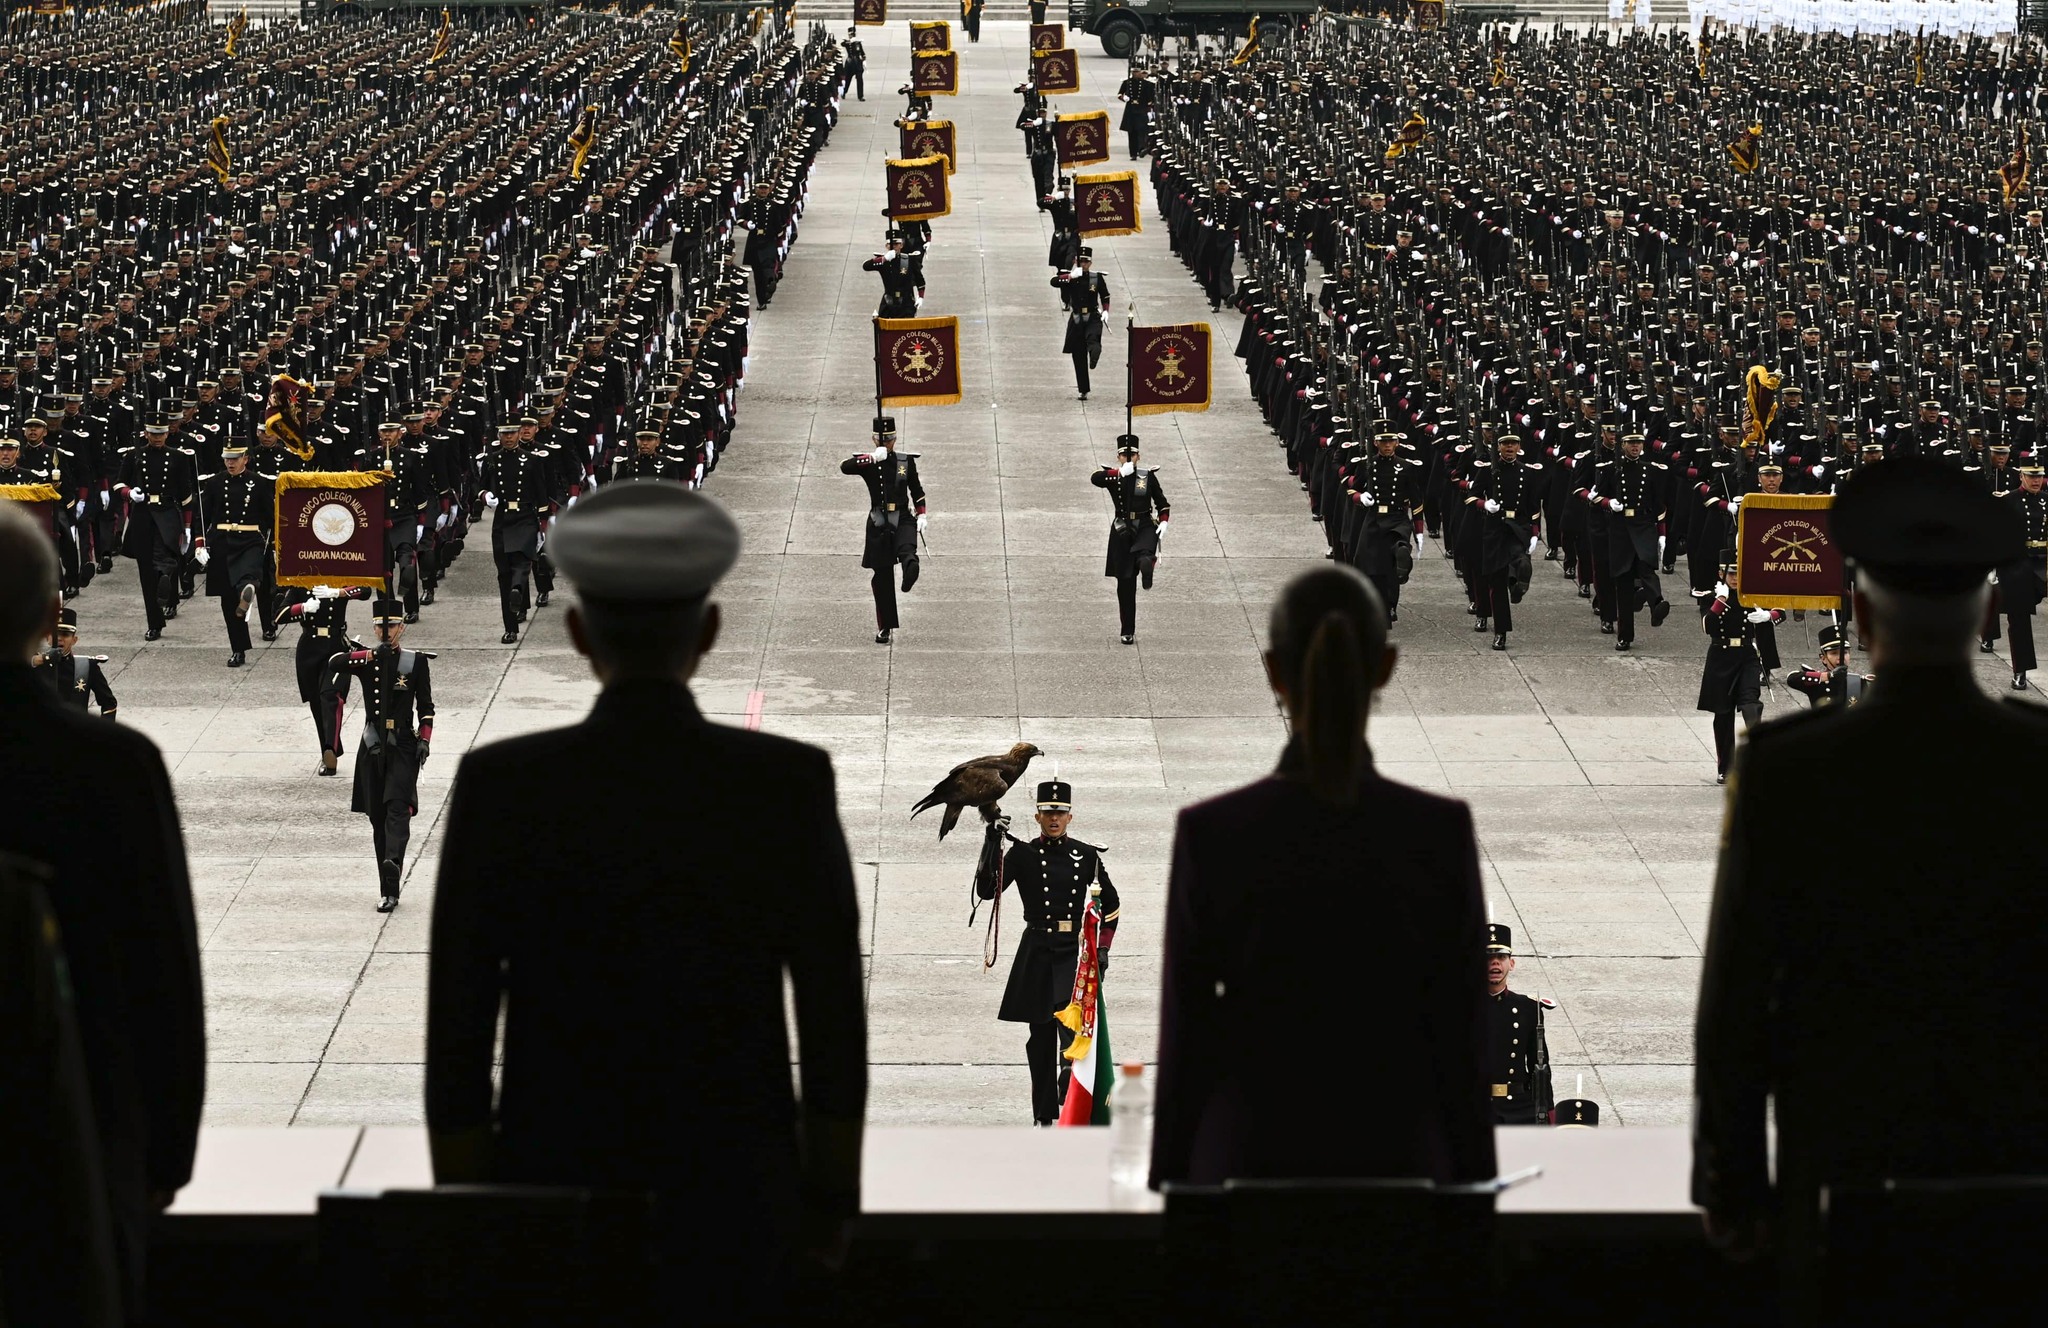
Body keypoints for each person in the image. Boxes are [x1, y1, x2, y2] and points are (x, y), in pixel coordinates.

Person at [427, 483, 865, 1320]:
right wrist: (831, 1199)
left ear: (578, 633)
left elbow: (459, 1021)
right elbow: (832, 1013)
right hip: (737, 1191)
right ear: (708, 632)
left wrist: (471, 1204)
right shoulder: (783, 785)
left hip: (552, 1185)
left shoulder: (504, 787)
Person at [1694, 456, 2048, 1312]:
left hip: (1842, 1160)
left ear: (1858, 613)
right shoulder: (2035, 764)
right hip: (2016, 1165)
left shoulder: (1788, 769)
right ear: (1989, 615)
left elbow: (1739, 990)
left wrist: (1732, 1182)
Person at [1151, 565, 1496, 1187]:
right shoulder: (1436, 831)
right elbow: (1461, 1035)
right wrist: (1471, 1189)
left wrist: (1172, 1183)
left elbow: (1188, 1035)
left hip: (1252, 1169)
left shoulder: (1214, 833)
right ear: (1384, 667)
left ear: (1273, 672)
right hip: (1401, 1172)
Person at [0, 503, 204, 1317]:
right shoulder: (114, 767)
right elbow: (163, 969)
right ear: (53, 612)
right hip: (80, 1132)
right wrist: (165, 1158)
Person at [977, 776, 1121, 1126]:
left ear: (1070, 816)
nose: (1054, 819)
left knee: (1072, 1034)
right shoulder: (1023, 854)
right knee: (1039, 1039)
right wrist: (991, 842)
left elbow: (1112, 905)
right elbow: (986, 890)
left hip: (1072, 953)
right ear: (1038, 816)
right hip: (1036, 951)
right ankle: (1043, 1115)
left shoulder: (1086, 855)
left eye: (1060, 813)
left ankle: (1071, 1097)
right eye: (1047, 813)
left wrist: (1102, 949)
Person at [320, 599, 435, 911]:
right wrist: (371, 655)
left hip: (403, 744)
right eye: (381, 626)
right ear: (374, 629)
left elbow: (426, 707)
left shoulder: (415, 662)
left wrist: (425, 739)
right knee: (378, 818)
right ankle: (387, 890)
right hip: (372, 744)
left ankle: (393, 863)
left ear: (402, 628)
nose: (386, 631)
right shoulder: (367, 660)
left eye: (392, 626)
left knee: (398, 808)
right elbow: (335, 663)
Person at [841, 417, 926, 644]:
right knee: (882, 576)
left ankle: (910, 570)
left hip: (902, 515)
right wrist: (871, 457)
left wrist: (922, 514)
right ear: (874, 439)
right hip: (879, 519)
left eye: (888, 440)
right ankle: (885, 626)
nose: (885, 443)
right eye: (881, 440)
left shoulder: (904, 461)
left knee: (907, 549)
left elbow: (917, 490)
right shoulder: (869, 462)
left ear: (895, 439)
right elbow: (844, 467)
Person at [114, 414, 198, 640]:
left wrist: (187, 526)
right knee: (146, 572)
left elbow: (186, 494)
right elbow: (118, 484)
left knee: (165, 559)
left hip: (168, 513)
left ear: (167, 433)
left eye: (161, 433)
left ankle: (167, 587)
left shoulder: (178, 457)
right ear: (146, 433)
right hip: (143, 515)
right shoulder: (134, 455)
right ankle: (154, 623)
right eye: (153, 433)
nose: (157, 437)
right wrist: (129, 493)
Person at [1698, 551, 1778, 784]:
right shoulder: (1712, 596)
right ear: (1721, 573)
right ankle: (1726, 767)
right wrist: (1720, 601)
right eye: (1731, 573)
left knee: (1751, 703)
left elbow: (1780, 610)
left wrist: (1768, 616)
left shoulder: (1752, 594)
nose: (1735, 578)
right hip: (1721, 657)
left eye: (1739, 573)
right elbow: (1708, 626)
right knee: (1723, 715)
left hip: (1747, 655)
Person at [194, 441, 274, 667]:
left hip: (250, 539)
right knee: (228, 602)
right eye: (227, 458)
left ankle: (247, 590)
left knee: (249, 575)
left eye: (235, 458)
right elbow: (202, 516)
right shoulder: (214, 483)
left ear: (245, 459)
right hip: (222, 541)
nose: (230, 463)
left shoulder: (259, 482)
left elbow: (272, 516)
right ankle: (238, 649)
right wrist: (200, 544)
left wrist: (276, 545)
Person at [278, 585, 371, 775]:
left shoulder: (340, 580)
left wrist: (339, 592)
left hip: (336, 646)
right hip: (309, 649)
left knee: (331, 696)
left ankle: (331, 751)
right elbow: (279, 615)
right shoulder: (300, 584)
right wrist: (302, 608)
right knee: (317, 705)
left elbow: (366, 590)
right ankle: (328, 748)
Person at [478, 421, 552, 644]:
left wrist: (544, 525)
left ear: (519, 433)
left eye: (512, 433)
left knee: (521, 561)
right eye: (504, 433)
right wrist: (484, 495)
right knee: (504, 574)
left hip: (525, 517)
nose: (508, 437)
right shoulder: (492, 460)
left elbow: (542, 494)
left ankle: (518, 589)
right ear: (499, 435)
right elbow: (479, 486)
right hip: (502, 518)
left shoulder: (532, 460)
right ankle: (510, 627)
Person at [1091, 434, 1170, 644]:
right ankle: (1127, 630)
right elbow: (1095, 478)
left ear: (1138, 456)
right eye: (1124, 455)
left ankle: (1146, 564)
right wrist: (1119, 473)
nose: (1128, 458)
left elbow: (1162, 503)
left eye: (1132, 454)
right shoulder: (1114, 475)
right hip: (1122, 528)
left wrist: (1163, 522)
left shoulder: (1146, 476)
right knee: (1125, 584)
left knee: (1145, 552)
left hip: (1144, 523)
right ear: (1118, 457)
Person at [1484, 923, 1555, 1125]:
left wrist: (1548, 1110)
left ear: (1511, 963)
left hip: (1518, 1107)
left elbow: (1539, 1064)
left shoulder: (1528, 1008)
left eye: (1501, 957)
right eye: (1488, 958)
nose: (1495, 963)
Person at [1995, 460, 2047, 689]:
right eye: (2031, 476)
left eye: (2039, 476)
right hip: (2019, 563)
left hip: (2044, 561)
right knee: (2018, 617)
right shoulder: (2009, 501)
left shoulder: (2046, 500)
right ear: (2021, 476)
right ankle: (2020, 670)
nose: (2036, 480)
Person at [1051, 248, 1110, 401]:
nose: (1083, 264)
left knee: (1093, 339)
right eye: (1080, 261)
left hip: (1092, 315)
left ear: (1090, 263)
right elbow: (1054, 282)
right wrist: (1070, 276)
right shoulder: (1071, 277)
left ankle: (1094, 355)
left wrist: (1106, 311)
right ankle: (1083, 389)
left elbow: (1105, 296)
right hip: (1077, 317)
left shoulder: (1096, 277)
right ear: (1075, 262)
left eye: (1086, 262)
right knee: (1078, 354)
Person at [37, 607, 117, 717]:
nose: (59, 638)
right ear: (47, 637)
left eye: (65, 634)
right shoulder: (36, 666)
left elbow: (109, 704)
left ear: (74, 640)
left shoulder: (86, 667)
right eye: (55, 634)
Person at [1785, 623, 1872, 708]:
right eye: (1834, 653)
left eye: (1845, 652)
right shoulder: (1818, 682)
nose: (1840, 657)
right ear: (1823, 658)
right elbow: (1791, 678)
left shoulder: (1858, 681)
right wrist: (1828, 676)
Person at [844, 26, 866, 101]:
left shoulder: (858, 43)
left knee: (860, 80)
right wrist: (849, 41)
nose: (851, 36)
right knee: (847, 79)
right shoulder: (848, 43)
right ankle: (844, 91)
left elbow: (862, 53)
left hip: (858, 64)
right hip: (850, 64)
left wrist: (863, 59)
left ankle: (860, 96)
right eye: (850, 35)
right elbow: (843, 44)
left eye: (853, 34)